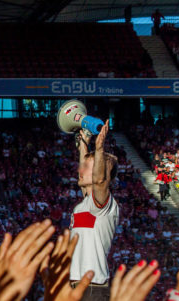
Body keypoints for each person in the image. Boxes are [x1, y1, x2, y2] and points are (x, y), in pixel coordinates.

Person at [72, 120, 119, 300]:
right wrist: (83, 144)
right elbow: (88, 179)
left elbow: (99, 182)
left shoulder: (104, 205)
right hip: (77, 285)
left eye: (89, 168)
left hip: (92, 289)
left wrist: (99, 149)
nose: (81, 170)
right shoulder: (86, 203)